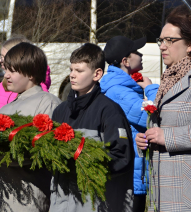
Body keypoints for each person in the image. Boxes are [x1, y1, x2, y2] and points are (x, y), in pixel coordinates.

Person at [135, 6, 191, 211]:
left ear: (190, 44)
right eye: (160, 40)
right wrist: (144, 141)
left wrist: (168, 137)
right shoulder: (167, 79)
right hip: (160, 192)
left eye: (170, 41)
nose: (162, 46)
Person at [0, 42, 61, 212]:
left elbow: (41, 153)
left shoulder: (48, 103)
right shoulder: (6, 108)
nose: (6, 75)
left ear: (31, 73)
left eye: (12, 71)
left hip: (20, 201)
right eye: (6, 69)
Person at [49, 43, 134, 212]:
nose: (72, 75)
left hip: (93, 204)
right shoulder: (60, 111)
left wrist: (83, 162)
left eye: (79, 71)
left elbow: (121, 157)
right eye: (71, 69)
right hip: (61, 204)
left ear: (97, 74)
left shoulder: (110, 111)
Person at [101, 36, 159, 212]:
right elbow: (152, 117)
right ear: (125, 61)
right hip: (132, 175)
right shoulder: (120, 92)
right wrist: (150, 88)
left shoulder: (119, 87)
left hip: (132, 171)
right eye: (136, 51)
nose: (141, 54)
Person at [0, 37, 52, 114]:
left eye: (12, 70)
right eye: (0, 57)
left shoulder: (45, 103)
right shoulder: (4, 107)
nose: (6, 75)